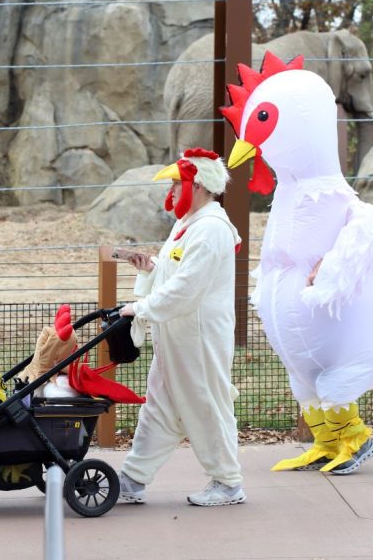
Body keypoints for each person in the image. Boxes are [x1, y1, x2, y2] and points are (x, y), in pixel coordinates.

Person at [116, 148, 246, 507]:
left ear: (199, 185)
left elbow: (188, 289)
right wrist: (150, 269)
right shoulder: (186, 224)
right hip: (174, 337)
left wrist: (141, 308)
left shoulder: (212, 229)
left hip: (198, 340)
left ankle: (228, 482)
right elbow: (174, 274)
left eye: (177, 183)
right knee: (158, 407)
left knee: (205, 405)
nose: (171, 191)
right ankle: (133, 478)